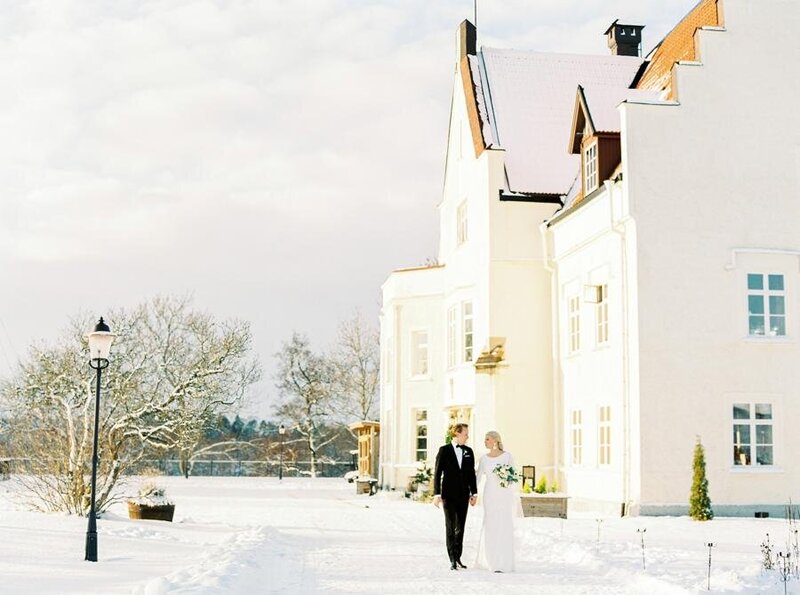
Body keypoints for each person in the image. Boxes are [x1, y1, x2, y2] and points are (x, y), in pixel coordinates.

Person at [433, 423, 477, 570]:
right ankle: (452, 558)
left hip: (464, 495)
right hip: (448, 495)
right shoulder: (444, 450)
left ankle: (458, 557)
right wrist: (436, 494)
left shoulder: (469, 451)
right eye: (465, 434)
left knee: (461, 527)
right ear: (457, 434)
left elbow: (471, 474)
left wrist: (474, 493)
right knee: (450, 526)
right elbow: (438, 473)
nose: (467, 436)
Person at [475, 430, 516, 573]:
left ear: (495, 441)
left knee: (503, 525)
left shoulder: (507, 456)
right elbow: (477, 478)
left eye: (487, 439)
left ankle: (503, 561)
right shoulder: (484, 459)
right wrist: (472, 494)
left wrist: (506, 479)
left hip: (503, 495)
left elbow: (513, 476)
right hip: (490, 495)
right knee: (491, 525)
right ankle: (490, 560)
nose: (484, 442)